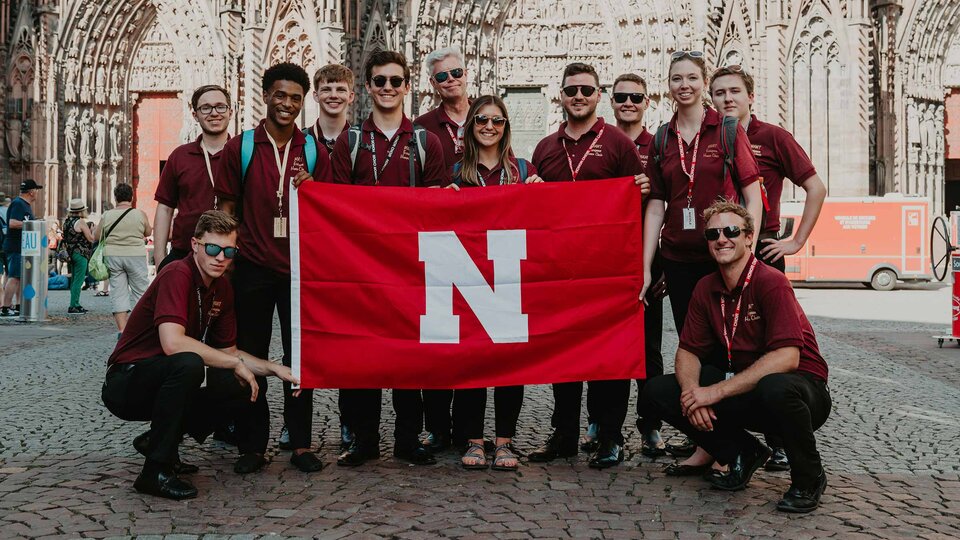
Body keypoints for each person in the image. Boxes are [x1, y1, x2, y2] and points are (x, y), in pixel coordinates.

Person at [639, 200, 831, 513]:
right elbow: (688, 351)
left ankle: (809, 479)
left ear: (748, 237)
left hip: (803, 391)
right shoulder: (706, 287)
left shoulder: (771, 282)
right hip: (750, 387)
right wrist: (692, 395)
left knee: (776, 386)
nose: (721, 239)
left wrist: (711, 393)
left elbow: (787, 358)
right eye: (713, 234)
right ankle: (741, 452)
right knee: (658, 391)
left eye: (731, 231)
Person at [101, 210, 301, 500]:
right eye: (212, 248)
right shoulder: (177, 273)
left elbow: (229, 353)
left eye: (229, 251)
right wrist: (234, 363)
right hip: (126, 382)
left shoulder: (222, 289)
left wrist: (274, 368)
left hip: (162, 378)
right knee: (189, 364)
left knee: (240, 385)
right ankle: (154, 472)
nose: (220, 257)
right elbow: (172, 344)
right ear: (195, 245)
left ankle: (158, 441)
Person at [698, 64, 829, 472]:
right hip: (717, 248)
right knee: (717, 345)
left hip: (761, 253)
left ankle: (782, 440)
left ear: (751, 96)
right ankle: (721, 442)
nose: (727, 99)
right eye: (718, 93)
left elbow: (815, 187)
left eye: (734, 91)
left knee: (773, 343)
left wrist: (795, 240)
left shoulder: (772, 137)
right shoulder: (706, 137)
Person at [641, 52, 764, 465]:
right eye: (677, 78)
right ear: (669, 85)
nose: (684, 85)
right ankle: (708, 444)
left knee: (725, 349)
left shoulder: (727, 130)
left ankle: (722, 441)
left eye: (692, 77)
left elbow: (752, 194)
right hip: (677, 258)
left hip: (721, 256)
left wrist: (748, 247)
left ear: (702, 81)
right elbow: (657, 205)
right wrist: (647, 264)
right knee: (692, 348)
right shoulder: (662, 137)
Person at [528, 62, 648, 469]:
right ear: (559, 96)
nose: (578, 96)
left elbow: (643, 203)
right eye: (571, 90)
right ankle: (563, 434)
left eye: (587, 90)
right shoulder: (544, 149)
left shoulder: (618, 144)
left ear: (600, 95)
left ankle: (610, 437)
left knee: (609, 358)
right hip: (559, 270)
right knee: (562, 355)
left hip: (609, 269)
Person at [330, 50, 447, 467]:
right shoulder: (351, 141)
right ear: (368, 87)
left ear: (407, 87)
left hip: (411, 268)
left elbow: (438, 204)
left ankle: (407, 440)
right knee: (363, 357)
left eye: (395, 81)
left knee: (410, 358)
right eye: (379, 81)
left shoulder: (424, 142)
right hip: (363, 268)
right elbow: (335, 203)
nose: (387, 88)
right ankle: (363, 440)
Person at [215, 62, 333, 474]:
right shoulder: (241, 146)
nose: (287, 104)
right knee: (250, 356)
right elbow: (227, 208)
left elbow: (330, 209)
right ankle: (253, 444)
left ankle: (300, 443)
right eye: (280, 95)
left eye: (295, 98)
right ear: (265, 95)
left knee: (301, 358)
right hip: (252, 268)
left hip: (301, 271)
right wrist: (226, 266)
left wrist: (312, 185)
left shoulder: (314, 149)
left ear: (304, 102)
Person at [445, 95, 542, 470]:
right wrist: (442, 200)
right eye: (482, 120)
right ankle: (473, 439)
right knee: (471, 361)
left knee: (509, 363)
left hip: (508, 277)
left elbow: (546, 222)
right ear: (471, 126)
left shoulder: (522, 170)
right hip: (467, 278)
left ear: (506, 127)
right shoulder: (456, 173)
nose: (489, 127)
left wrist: (541, 194)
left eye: (497, 121)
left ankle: (504, 442)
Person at [414, 46, 472, 451]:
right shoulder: (420, 127)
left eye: (456, 73)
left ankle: (469, 427)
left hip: (480, 244)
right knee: (436, 340)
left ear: (467, 73)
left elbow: (508, 165)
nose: (450, 80)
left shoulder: (489, 115)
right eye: (441, 76)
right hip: (435, 243)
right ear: (431, 84)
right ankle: (435, 425)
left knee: (472, 340)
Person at [609, 72, 666, 457]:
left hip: (649, 258)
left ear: (648, 101)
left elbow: (670, 202)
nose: (628, 103)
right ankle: (602, 425)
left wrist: (661, 263)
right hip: (605, 262)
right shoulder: (601, 142)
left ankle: (651, 425)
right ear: (610, 102)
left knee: (650, 350)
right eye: (621, 97)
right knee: (605, 347)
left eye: (636, 97)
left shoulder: (662, 145)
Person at [154, 85, 232, 271]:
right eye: (205, 108)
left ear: (231, 111)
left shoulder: (243, 153)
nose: (214, 113)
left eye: (220, 106)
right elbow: (165, 208)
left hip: (231, 256)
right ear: (195, 115)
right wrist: (160, 258)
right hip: (185, 254)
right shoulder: (180, 156)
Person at [97, 183, 152, 333]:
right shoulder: (140, 214)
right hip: (135, 255)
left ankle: (123, 330)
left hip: (113, 256)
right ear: (131, 197)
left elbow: (97, 235)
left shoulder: (107, 215)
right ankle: (143, 328)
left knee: (118, 292)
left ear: (115, 198)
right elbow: (147, 232)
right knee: (140, 291)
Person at [2, 180, 42, 317]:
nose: (37, 193)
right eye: (36, 190)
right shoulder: (18, 203)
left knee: (19, 277)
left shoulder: (24, 204)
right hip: (15, 246)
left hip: (21, 247)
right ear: (31, 191)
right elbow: (12, 223)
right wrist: (32, 223)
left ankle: (19, 306)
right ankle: (6, 308)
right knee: (14, 277)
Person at [306, 64, 355, 156]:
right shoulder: (301, 140)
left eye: (341, 90)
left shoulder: (362, 143)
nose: (333, 95)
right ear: (316, 96)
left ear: (351, 96)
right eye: (326, 90)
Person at [62, 198, 96, 314]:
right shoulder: (81, 222)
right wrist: (92, 230)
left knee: (74, 280)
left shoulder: (66, 222)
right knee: (79, 280)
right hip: (80, 254)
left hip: (70, 254)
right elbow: (91, 239)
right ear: (81, 211)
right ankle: (73, 306)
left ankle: (75, 303)